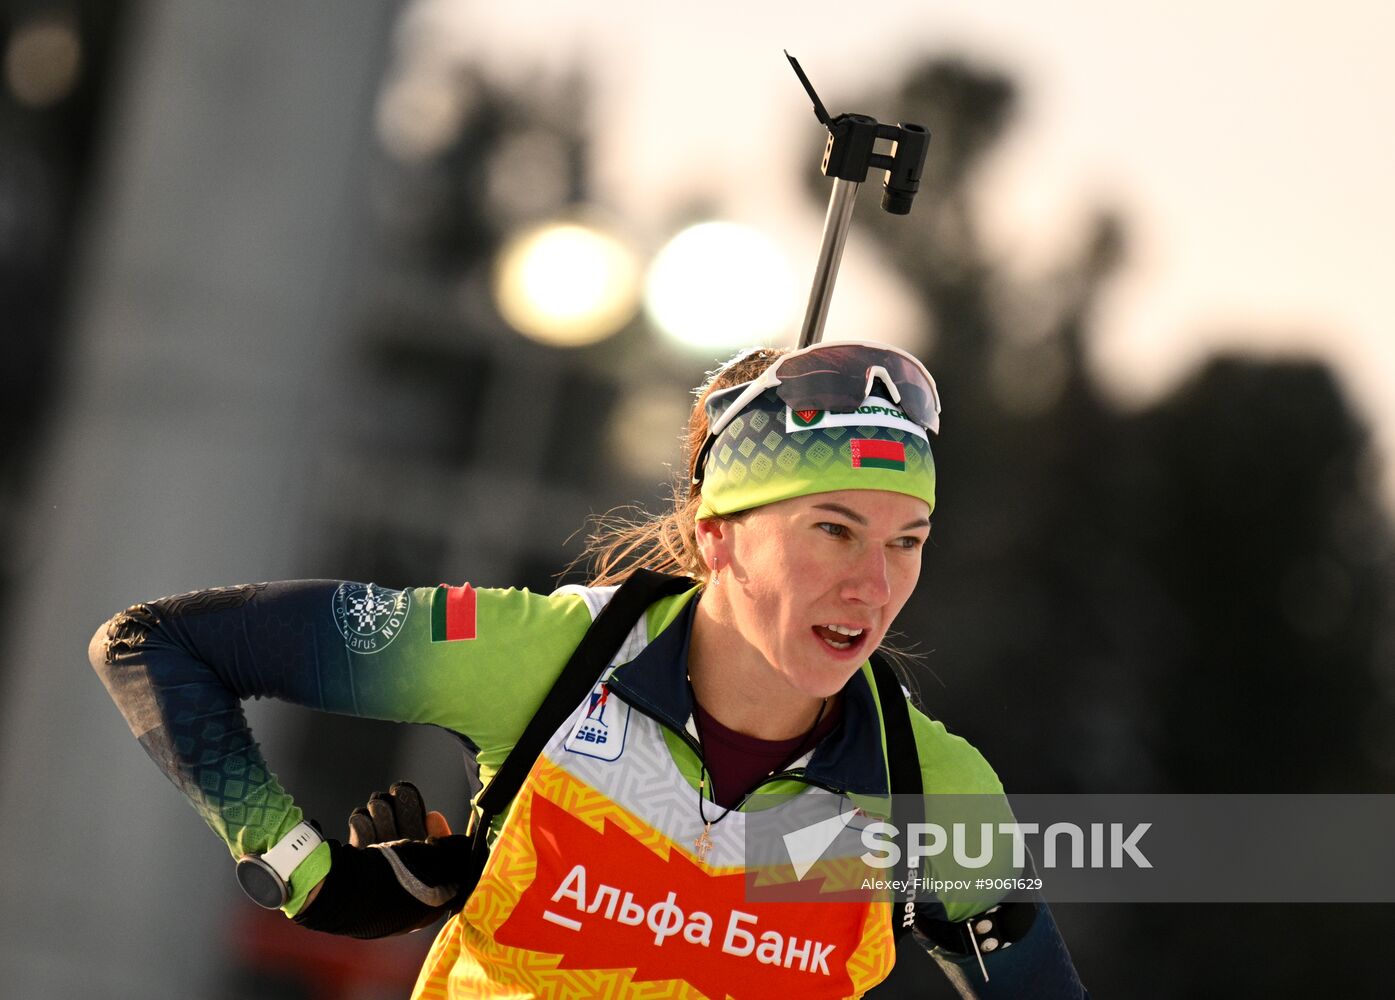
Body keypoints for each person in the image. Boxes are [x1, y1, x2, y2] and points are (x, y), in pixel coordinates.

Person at [90, 341, 1088, 998]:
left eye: (907, 541)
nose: (873, 585)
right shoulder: (547, 659)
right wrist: (302, 871)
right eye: (832, 529)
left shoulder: (928, 792)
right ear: (717, 535)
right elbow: (155, 644)